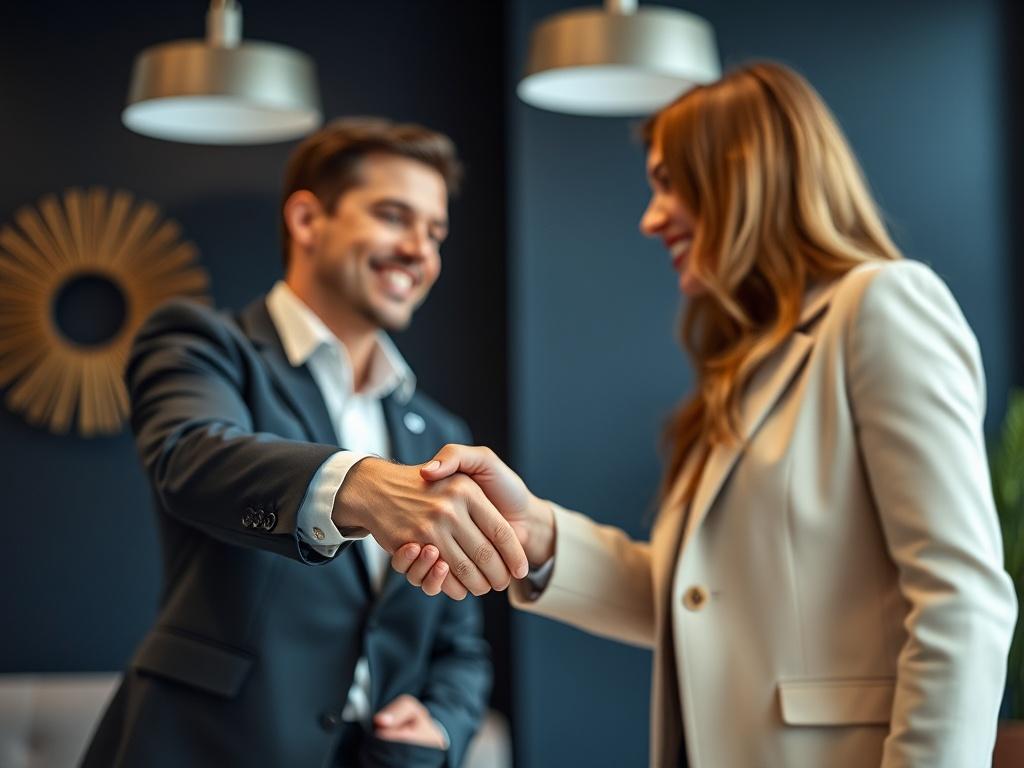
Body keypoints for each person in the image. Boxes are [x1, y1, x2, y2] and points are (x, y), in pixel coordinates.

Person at [391, 62, 1019, 767]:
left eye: (666, 182)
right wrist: (535, 532)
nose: (650, 218)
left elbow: (960, 600)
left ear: (742, 173)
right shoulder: (746, 365)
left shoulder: (882, 305)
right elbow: (699, 595)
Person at [83, 117, 528, 768]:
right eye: (393, 216)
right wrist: (362, 485)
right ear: (307, 219)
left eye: (435, 232)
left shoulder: (438, 435)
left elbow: (460, 643)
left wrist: (445, 721)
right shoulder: (203, 345)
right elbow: (192, 458)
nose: (419, 250)